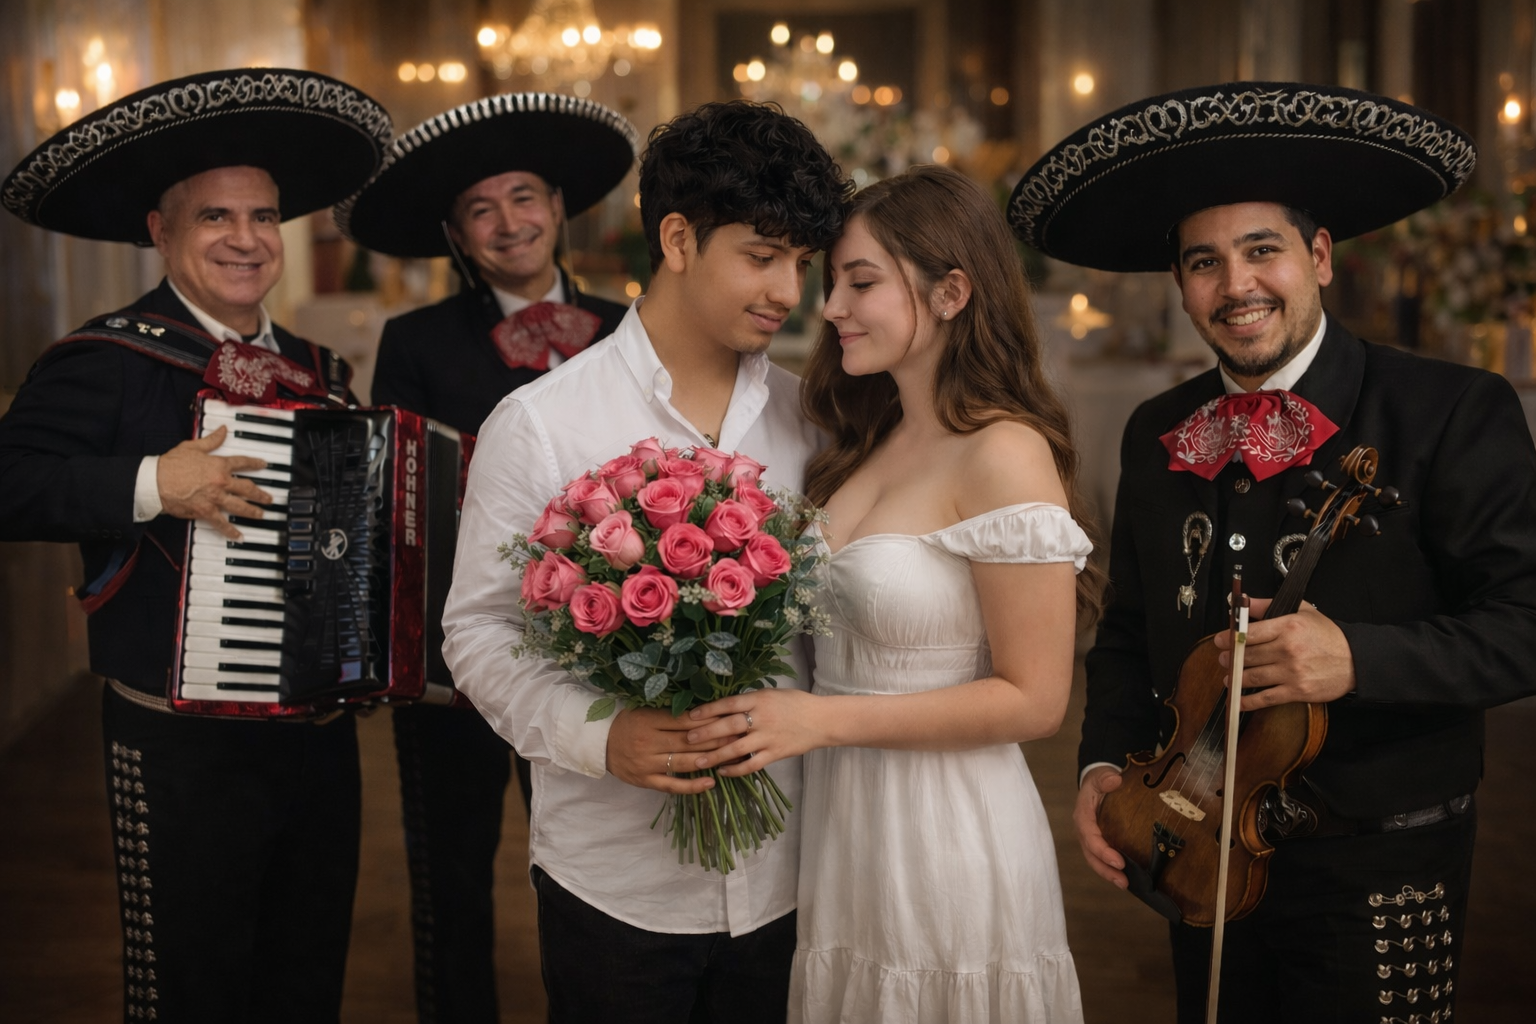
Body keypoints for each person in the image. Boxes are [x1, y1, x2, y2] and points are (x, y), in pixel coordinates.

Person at [1008, 82, 1536, 1022]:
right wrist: (1101, 772)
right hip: (1198, 852)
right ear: (1179, 284)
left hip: (1385, 868)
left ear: (1320, 257)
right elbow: (1129, 630)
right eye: (1204, 262)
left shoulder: (1453, 410)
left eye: (1262, 251)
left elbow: (1526, 623)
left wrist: (1359, 658)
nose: (1235, 285)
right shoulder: (1155, 428)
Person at [440, 100, 851, 1023]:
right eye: (761, 255)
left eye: (802, 263)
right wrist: (602, 737)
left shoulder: (816, 421)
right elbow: (477, 633)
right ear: (676, 238)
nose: (790, 291)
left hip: (794, 874)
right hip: (612, 885)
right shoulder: (542, 423)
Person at [0, 69, 392, 1021]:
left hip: (316, 736)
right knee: (190, 982)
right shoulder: (106, 359)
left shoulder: (324, 374)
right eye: (216, 217)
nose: (247, 239)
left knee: (306, 975)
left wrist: (371, 634)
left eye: (263, 218)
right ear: (160, 232)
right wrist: (149, 483)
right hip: (178, 740)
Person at [680, 164, 1098, 1023]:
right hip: (844, 828)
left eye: (859, 282)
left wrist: (822, 720)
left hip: (946, 830)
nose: (828, 308)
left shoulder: (1003, 451)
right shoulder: (869, 439)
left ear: (951, 291)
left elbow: (1036, 699)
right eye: (833, 282)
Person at [336, 92, 636, 1024]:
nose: (509, 223)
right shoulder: (413, 342)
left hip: (610, 650)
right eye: (481, 209)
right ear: (458, 237)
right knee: (451, 875)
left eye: (522, 197)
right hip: (460, 658)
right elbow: (406, 503)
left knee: (597, 871)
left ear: (558, 204)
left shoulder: (635, 327)